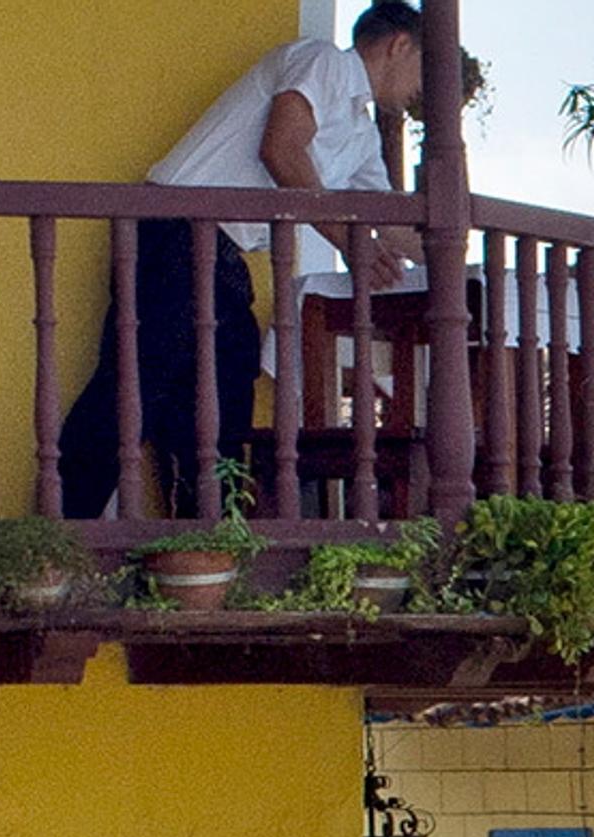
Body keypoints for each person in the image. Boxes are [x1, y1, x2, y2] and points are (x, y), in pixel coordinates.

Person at [57, 4, 424, 517]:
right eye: (424, 70)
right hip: (173, 229)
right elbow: (283, 148)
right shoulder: (325, 61)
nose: (421, 90)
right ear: (400, 44)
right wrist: (347, 240)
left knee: (217, 399)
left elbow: (388, 221)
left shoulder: (361, 135)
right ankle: (58, 532)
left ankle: (206, 551)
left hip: (219, 252)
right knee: (136, 386)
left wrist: (451, 257)